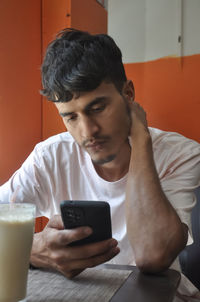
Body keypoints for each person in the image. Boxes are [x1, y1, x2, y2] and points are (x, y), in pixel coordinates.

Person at [0, 28, 200, 301]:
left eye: (97, 108)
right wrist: (32, 249)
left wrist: (140, 140)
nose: (87, 131)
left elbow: (154, 256)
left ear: (128, 95)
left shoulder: (181, 154)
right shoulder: (50, 156)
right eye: (70, 117)